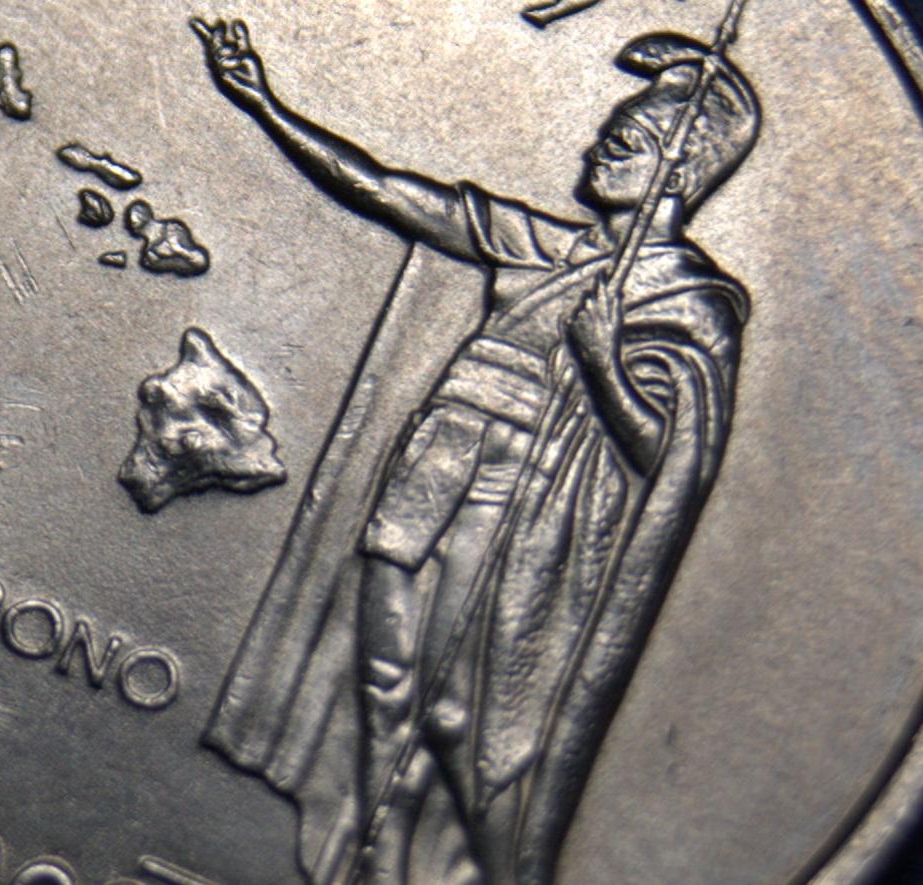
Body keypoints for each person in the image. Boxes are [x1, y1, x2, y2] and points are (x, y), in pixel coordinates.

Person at [195, 18, 759, 884]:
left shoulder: (692, 302)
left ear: (675, 173)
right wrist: (265, 104)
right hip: (433, 460)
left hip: (518, 502)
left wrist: (604, 363)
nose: (598, 147)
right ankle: (374, 859)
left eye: (626, 141)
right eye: (607, 133)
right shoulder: (541, 245)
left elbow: (672, 465)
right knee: (380, 681)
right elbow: (385, 191)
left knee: (465, 716)